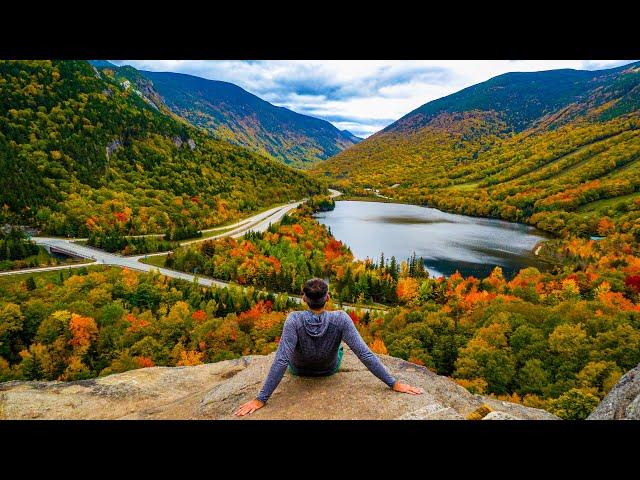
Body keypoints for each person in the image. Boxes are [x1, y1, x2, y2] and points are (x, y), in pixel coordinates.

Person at [234, 278, 424, 416]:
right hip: (329, 369)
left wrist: (261, 399)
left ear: (304, 298)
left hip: (298, 370)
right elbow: (364, 354)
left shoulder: (293, 320)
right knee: (342, 348)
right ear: (328, 297)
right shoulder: (341, 318)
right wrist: (393, 383)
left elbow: (282, 359)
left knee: (285, 349)